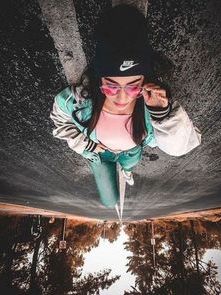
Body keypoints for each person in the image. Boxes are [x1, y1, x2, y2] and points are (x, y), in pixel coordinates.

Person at [50, 4, 201, 209]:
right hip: (100, 151)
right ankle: (124, 169)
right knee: (108, 201)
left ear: (144, 82)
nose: (122, 97)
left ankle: (127, 170)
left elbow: (180, 146)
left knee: (129, 163)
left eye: (132, 87)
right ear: (99, 81)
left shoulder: (152, 108)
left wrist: (162, 114)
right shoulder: (78, 101)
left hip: (132, 152)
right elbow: (59, 120)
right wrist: (86, 145)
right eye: (111, 87)